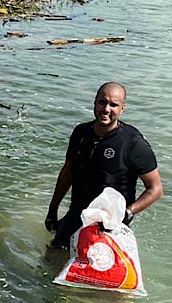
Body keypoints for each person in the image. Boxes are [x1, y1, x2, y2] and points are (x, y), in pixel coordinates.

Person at [46, 82, 163, 248]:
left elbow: (155, 189)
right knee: (49, 263)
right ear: (95, 102)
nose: (106, 109)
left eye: (113, 105)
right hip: (76, 216)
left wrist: (128, 213)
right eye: (102, 102)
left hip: (109, 226)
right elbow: (67, 173)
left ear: (122, 108)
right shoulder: (81, 133)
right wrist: (53, 209)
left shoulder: (133, 144)